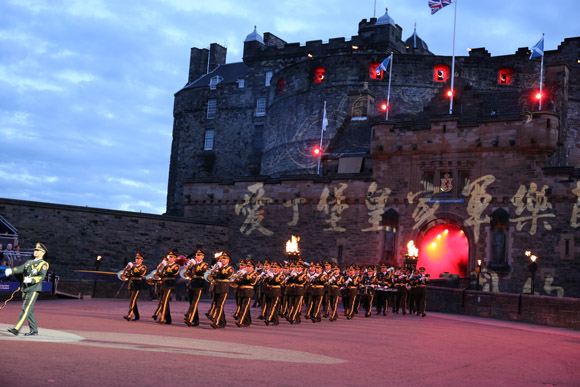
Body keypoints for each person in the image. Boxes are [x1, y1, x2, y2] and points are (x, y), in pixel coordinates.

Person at [6, 243, 49, 336]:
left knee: (26, 309)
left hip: (33, 288)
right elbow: (21, 268)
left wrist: (32, 279)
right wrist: (11, 270)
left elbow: (41, 277)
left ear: (42, 253)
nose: (35, 251)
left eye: (37, 250)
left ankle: (16, 329)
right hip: (25, 288)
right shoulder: (29, 262)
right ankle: (34, 330)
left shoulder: (44, 264)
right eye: (35, 250)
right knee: (30, 310)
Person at [208, 252, 234, 329]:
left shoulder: (230, 268)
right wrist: (213, 271)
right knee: (216, 305)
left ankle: (216, 322)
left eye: (224, 258)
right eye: (222, 258)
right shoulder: (218, 267)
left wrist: (220, 268)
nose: (222, 260)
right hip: (216, 287)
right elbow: (213, 276)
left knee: (220, 305)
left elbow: (227, 275)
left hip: (223, 288)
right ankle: (222, 321)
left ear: (228, 260)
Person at [152, 251, 180, 324]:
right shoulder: (166, 265)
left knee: (164, 301)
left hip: (169, 285)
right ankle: (168, 319)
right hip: (163, 284)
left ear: (174, 258)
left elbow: (171, 273)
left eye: (171, 257)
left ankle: (162, 318)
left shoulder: (176, 266)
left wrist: (165, 266)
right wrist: (158, 271)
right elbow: (161, 274)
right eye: (169, 257)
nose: (169, 258)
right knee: (164, 302)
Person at [184, 249, 208, 327]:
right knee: (192, 302)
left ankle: (189, 318)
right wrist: (188, 266)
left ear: (203, 257)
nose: (197, 256)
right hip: (192, 284)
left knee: (195, 302)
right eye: (196, 255)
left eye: (199, 255)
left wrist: (194, 265)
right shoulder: (192, 264)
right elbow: (187, 273)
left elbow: (200, 271)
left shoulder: (204, 264)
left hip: (199, 284)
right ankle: (196, 320)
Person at [122, 252, 147, 321]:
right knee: (132, 301)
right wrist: (125, 273)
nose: (137, 260)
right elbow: (129, 274)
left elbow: (139, 273)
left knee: (132, 300)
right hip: (131, 284)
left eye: (139, 259)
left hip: (137, 284)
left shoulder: (143, 267)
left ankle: (129, 315)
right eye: (136, 259)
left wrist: (132, 267)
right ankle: (137, 316)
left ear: (142, 260)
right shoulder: (133, 267)